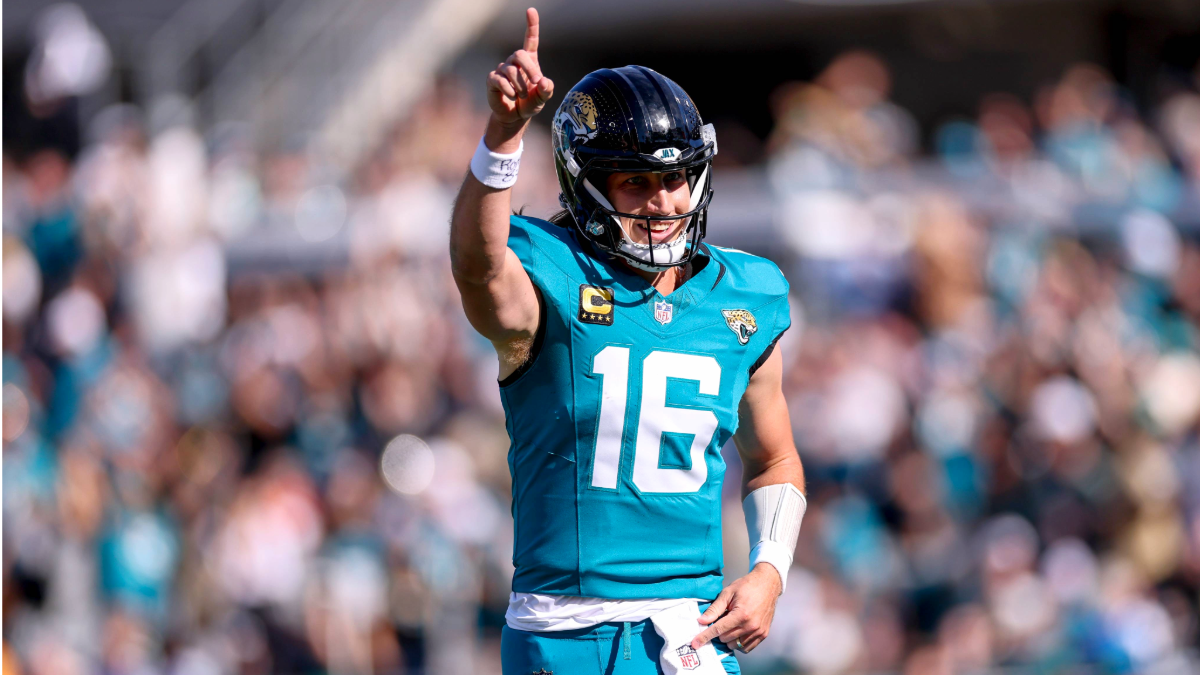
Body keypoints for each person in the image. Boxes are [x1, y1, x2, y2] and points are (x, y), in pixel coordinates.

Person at [449, 8, 807, 674]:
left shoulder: (745, 297)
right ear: (587, 186)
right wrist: (502, 136)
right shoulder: (551, 275)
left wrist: (770, 570)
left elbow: (774, 457)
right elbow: (478, 265)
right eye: (635, 182)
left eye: (673, 179)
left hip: (689, 634)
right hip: (564, 635)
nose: (664, 201)